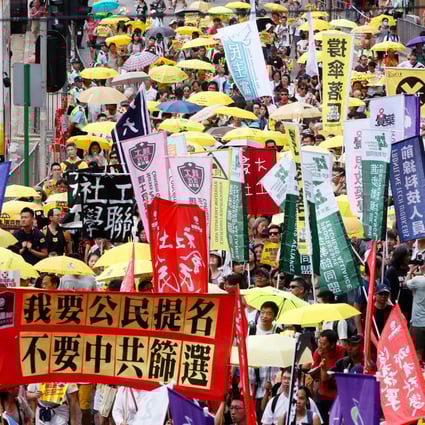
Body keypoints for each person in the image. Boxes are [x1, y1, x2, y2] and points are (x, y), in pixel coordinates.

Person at [249, 301, 282, 422]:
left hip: (275, 382)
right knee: (259, 416)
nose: (264, 316)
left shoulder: (279, 332)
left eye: (269, 313)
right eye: (262, 312)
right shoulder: (251, 331)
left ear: (275, 316)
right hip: (256, 383)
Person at [311, 330, 345, 424]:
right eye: (319, 343)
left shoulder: (342, 352)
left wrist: (323, 361)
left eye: (323, 344)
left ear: (332, 345)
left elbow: (326, 377)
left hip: (338, 396)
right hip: (322, 396)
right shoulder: (318, 353)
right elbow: (314, 372)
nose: (320, 346)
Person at [406, 264, 425, 360]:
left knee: (417, 353)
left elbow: (406, 283)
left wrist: (410, 271)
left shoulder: (419, 280)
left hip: (418, 323)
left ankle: (419, 374)